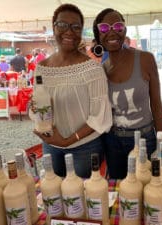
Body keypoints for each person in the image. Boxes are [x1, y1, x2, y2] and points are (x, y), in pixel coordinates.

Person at [32, 4, 112, 178]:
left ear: (81, 32)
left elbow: (100, 116)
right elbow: (37, 103)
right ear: (53, 27)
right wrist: (34, 111)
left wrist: (67, 141)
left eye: (76, 27)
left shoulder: (92, 69)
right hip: (51, 145)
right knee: (54, 195)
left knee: (84, 198)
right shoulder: (41, 68)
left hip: (85, 148)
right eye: (62, 25)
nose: (69, 31)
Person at [93, 8, 162, 179]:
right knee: (118, 189)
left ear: (124, 30)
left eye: (118, 26)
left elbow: (156, 102)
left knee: (146, 190)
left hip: (144, 139)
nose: (112, 31)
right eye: (104, 28)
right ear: (98, 35)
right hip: (113, 141)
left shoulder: (146, 59)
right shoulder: (101, 70)